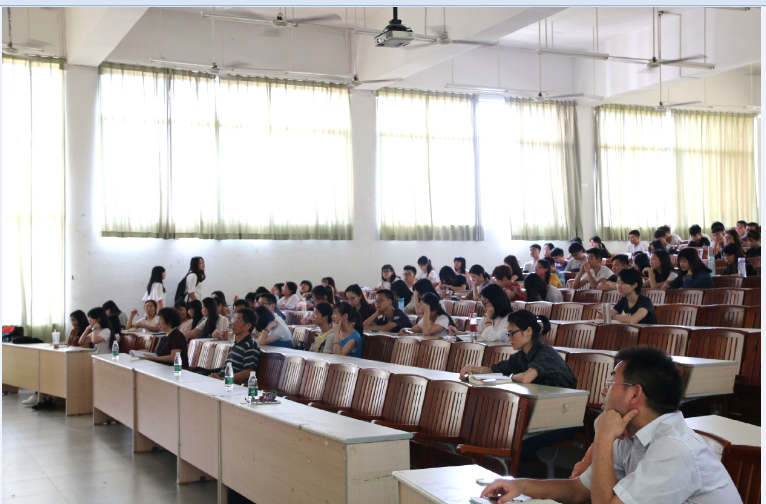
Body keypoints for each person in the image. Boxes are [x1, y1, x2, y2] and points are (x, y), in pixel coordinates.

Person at [480, 345, 743, 504]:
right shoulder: (630, 433)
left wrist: (603, 437)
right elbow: (579, 489)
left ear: (634, 394)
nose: (604, 391)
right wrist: (521, 486)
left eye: (610, 382)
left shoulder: (673, 449)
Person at [459, 310, 577, 388]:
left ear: (528, 331)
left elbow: (526, 378)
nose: (509, 338)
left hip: (566, 405)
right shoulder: (521, 356)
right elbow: (496, 370)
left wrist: (509, 377)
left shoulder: (545, 353)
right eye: (508, 334)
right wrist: (473, 369)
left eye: (512, 333)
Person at [209, 308, 261, 385]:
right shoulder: (238, 342)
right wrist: (218, 375)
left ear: (248, 326)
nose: (233, 323)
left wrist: (223, 379)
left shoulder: (250, 345)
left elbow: (248, 373)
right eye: (234, 319)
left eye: (238, 320)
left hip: (233, 385)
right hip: (224, 381)